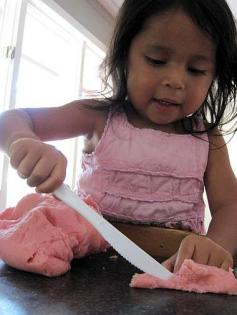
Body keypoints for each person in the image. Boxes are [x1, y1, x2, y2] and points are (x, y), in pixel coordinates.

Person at [0, 0, 237, 274]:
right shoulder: (98, 116)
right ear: (125, 55)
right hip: (82, 271)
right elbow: (12, 119)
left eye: (195, 70)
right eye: (157, 61)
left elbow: (230, 207)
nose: (175, 80)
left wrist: (214, 244)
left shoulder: (206, 139)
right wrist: (22, 141)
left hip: (170, 271)